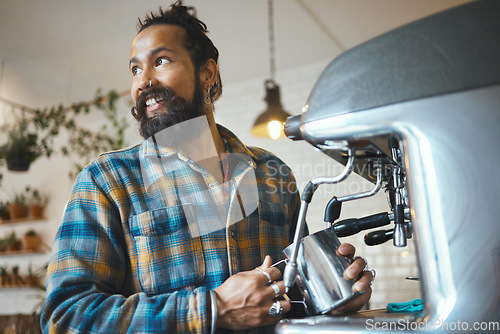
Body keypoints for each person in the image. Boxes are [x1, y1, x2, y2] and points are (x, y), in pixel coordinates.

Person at [41, 2, 373, 333]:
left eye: (160, 60)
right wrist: (213, 309)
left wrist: (334, 294)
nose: (143, 81)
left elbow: (287, 295)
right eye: (135, 69)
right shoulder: (107, 181)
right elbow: (65, 317)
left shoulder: (273, 173)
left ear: (207, 72)